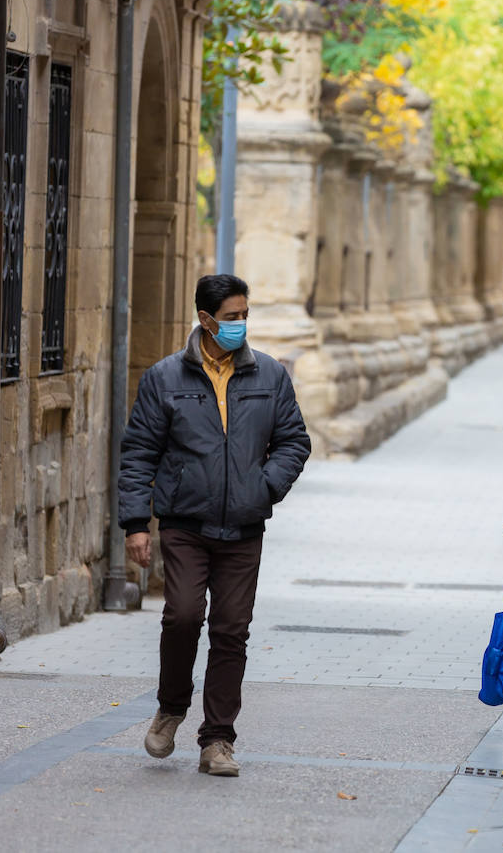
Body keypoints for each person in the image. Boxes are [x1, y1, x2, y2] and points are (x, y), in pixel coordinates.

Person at [120, 274, 312, 777]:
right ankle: (171, 707)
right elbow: (140, 452)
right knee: (181, 616)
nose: (241, 324)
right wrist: (136, 523)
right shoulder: (165, 378)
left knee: (231, 631)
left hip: (244, 527)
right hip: (185, 523)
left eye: (246, 315)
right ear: (206, 320)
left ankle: (218, 741)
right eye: (232, 317)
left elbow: (294, 440)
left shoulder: (269, 375)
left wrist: (263, 487)